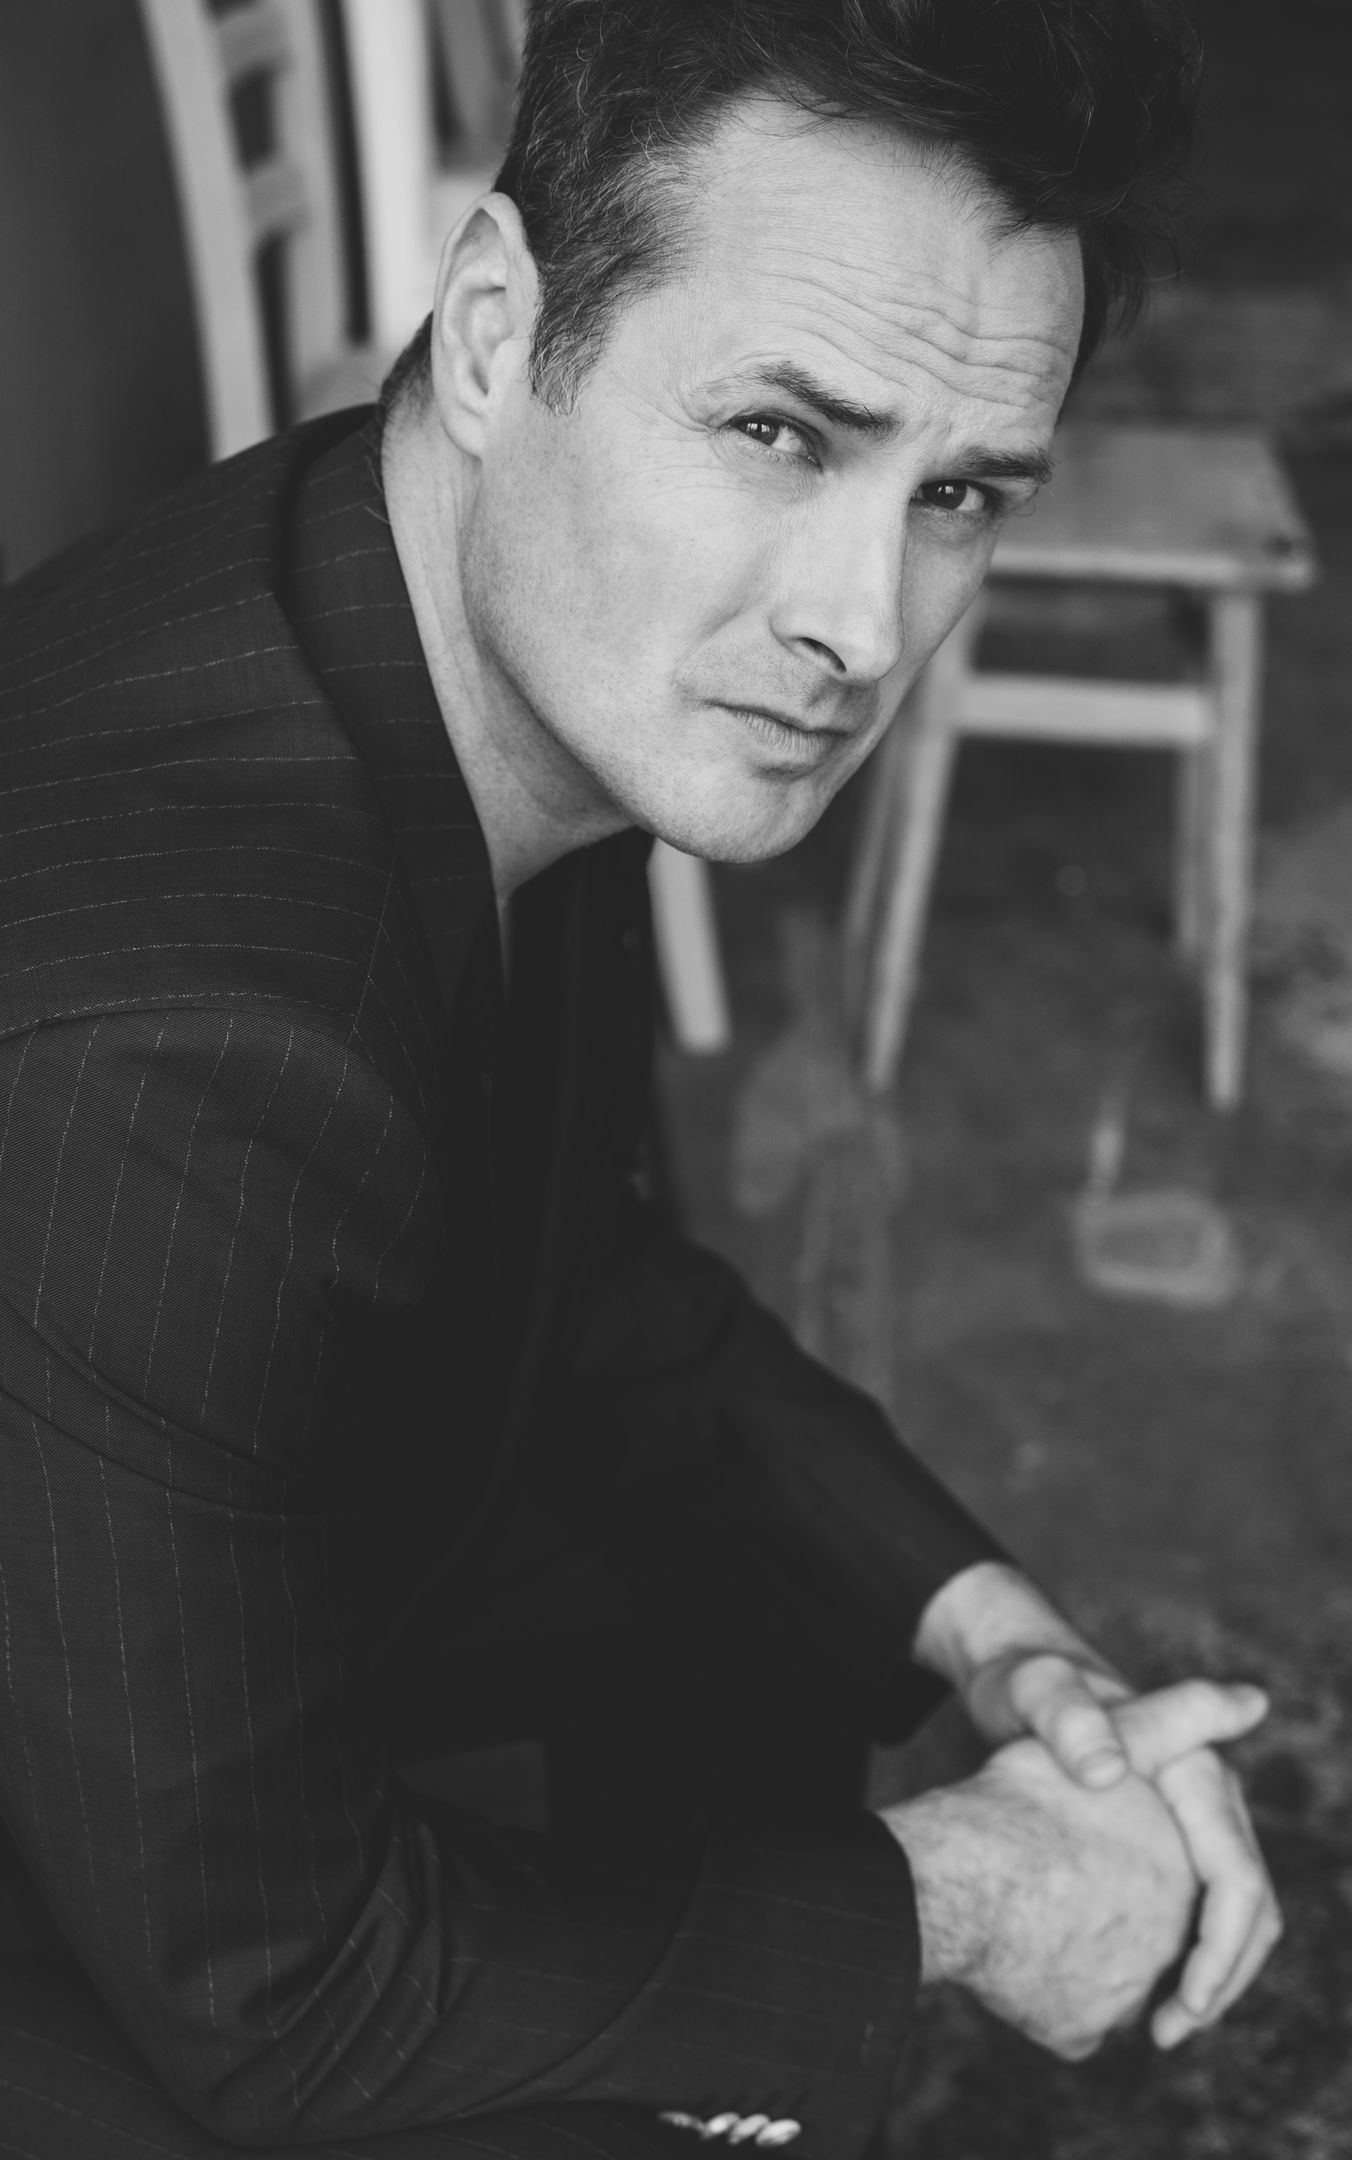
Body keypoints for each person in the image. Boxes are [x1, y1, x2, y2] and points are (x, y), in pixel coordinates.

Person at [0, 2, 1280, 2155]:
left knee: (740, 1627)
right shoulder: (178, 1065)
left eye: (958, 494)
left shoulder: (454, 600)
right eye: (780, 432)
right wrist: (967, 1897)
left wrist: (996, 1639)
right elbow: (278, 1999)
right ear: (496, 333)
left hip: (177, 1533)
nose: (860, 626)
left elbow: (577, 1265)